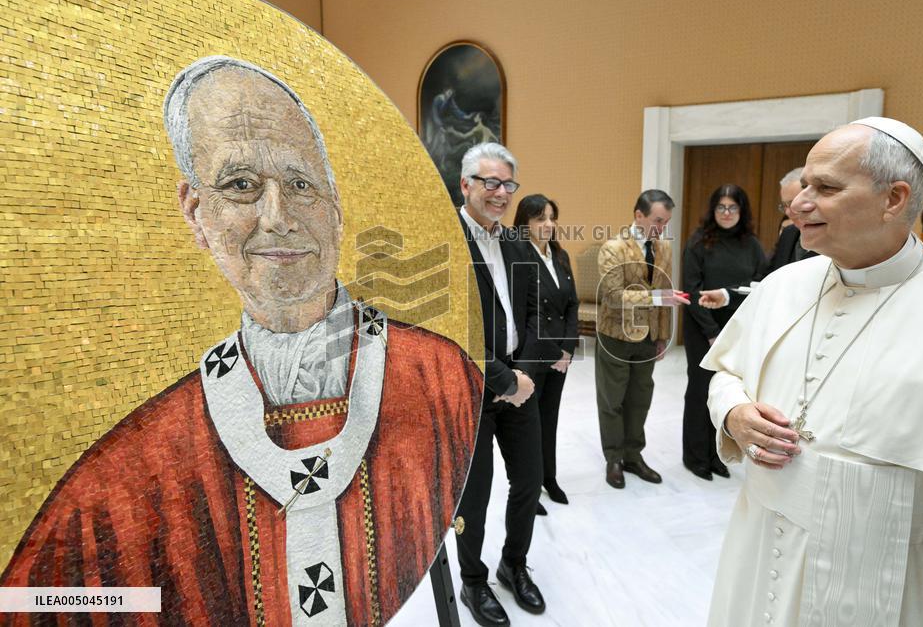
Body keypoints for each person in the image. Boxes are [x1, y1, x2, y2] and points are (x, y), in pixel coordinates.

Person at [1, 57, 483, 627]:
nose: (279, 217)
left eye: (301, 184)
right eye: (241, 186)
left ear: (335, 206)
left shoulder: (440, 377)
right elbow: (35, 604)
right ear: (195, 213)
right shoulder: (130, 471)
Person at [703, 117, 923, 626]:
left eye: (826, 187)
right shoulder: (782, 285)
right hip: (756, 557)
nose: (798, 202)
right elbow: (726, 372)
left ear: (893, 198)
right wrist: (732, 412)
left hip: (888, 590)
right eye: (803, 185)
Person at [456, 143, 556, 627]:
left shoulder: (517, 243)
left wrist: (526, 378)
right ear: (466, 185)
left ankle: (513, 564)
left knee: (529, 483)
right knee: (473, 497)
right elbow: (453, 327)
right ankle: (473, 581)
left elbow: (538, 314)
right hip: (469, 394)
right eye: (490, 182)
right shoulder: (446, 240)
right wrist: (500, 378)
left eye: (507, 185)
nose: (500, 193)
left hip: (521, 389)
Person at [595, 189, 689, 489]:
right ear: (639, 215)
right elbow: (612, 297)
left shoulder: (664, 248)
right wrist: (658, 298)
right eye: (657, 221)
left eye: (666, 222)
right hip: (615, 334)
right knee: (613, 400)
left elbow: (666, 288)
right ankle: (613, 458)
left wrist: (662, 337)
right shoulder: (613, 247)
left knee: (640, 399)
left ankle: (633, 456)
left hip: (647, 337)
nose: (661, 228)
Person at [681, 185, 766, 481]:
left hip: (738, 328)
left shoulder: (752, 245)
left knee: (727, 389)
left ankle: (717, 455)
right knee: (700, 388)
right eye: (721, 207)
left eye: (733, 208)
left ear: (742, 212)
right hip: (702, 327)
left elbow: (760, 286)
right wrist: (711, 332)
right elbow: (691, 291)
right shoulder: (698, 242)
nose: (727, 213)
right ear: (712, 210)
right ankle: (695, 457)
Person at [513, 194, 579, 511]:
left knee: (550, 420)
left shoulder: (561, 256)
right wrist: (554, 351)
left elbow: (572, 305)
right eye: (540, 218)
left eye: (551, 217)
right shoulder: (518, 256)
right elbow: (525, 313)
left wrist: (567, 349)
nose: (548, 225)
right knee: (530, 424)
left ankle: (549, 479)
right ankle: (531, 484)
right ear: (525, 224)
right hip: (533, 354)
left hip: (560, 357)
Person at [764, 167, 817, 275]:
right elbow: (765, 277)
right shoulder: (788, 233)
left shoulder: (831, 236)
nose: (788, 212)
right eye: (784, 205)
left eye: (793, 202)